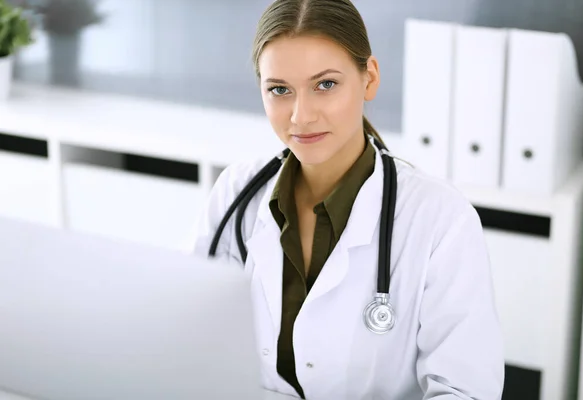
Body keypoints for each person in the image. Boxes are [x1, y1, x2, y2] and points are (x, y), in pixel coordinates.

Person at [194, 0, 505, 398]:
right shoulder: (237, 192)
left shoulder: (441, 218)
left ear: (369, 78)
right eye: (279, 90)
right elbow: (194, 338)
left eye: (325, 84)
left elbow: (466, 391)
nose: (301, 116)